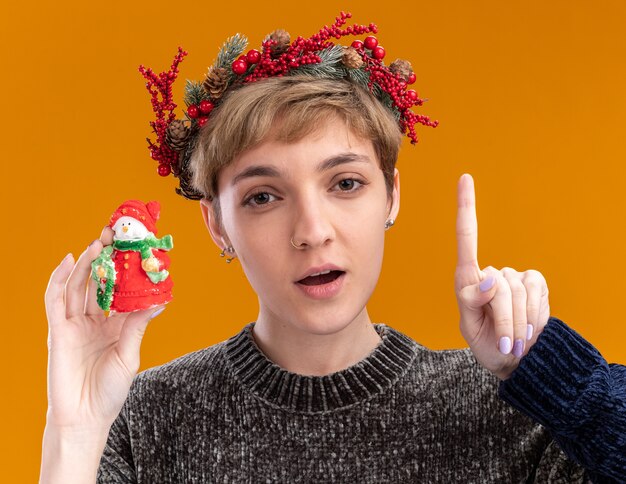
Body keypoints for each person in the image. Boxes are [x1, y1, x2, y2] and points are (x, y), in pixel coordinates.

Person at [40, 12, 625, 483]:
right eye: (264, 197)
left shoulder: (512, 410)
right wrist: (74, 432)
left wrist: (563, 381)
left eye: (345, 183)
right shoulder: (143, 418)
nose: (312, 230)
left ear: (391, 195)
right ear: (216, 223)